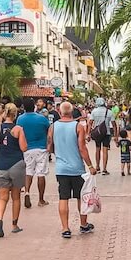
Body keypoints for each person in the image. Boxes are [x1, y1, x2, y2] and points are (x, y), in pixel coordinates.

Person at [50, 101, 96, 239]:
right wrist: (90, 165)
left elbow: (49, 146)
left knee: (63, 198)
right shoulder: (78, 127)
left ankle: (65, 228)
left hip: (61, 168)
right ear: (71, 112)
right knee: (80, 197)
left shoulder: (53, 127)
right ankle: (83, 224)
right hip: (77, 168)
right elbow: (82, 148)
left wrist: (58, 154)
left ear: (60, 112)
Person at [0, 103, 28, 237]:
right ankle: (14, 224)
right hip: (16, 164)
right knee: (16, 197)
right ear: (15, 114)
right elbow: (24, 148)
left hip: (1, 165)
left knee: (2, 197)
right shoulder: (18, 129)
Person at [17, 97, 52, 208]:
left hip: (27, 149)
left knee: (28, 172)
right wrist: (49, 145)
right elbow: (49, 132)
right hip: (41, 148)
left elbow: (18, 132)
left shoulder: (20, 119)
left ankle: (27, 192)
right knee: (41, 174)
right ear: (34, 106)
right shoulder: (42, 118)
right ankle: (41, 199)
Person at [88, 97, 114, 175]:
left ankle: (97, 166)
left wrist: (88, 133)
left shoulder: (94, 111)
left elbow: (90, 122)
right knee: (105, 150)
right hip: (106, 133)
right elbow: (114, 124)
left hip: (97, 133)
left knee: (97, 149)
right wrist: (115, 135)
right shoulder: (109, 112)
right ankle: (104, 169)